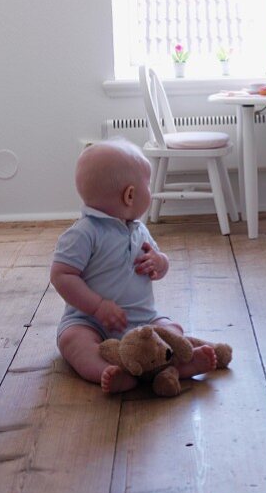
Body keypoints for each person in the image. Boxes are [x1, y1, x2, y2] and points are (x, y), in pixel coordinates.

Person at [51, 139, 218, 393]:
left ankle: (183, 364)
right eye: (148, 185)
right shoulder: (83, 233)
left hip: (143, 321)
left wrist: (160, 262)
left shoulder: (138, 229)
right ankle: (106, 372)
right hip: (90, 322)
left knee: (171, 328)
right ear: (130, 195)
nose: (150, 191)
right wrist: (97, 307)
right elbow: (61, 275)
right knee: (73, 341)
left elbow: (159, 260)